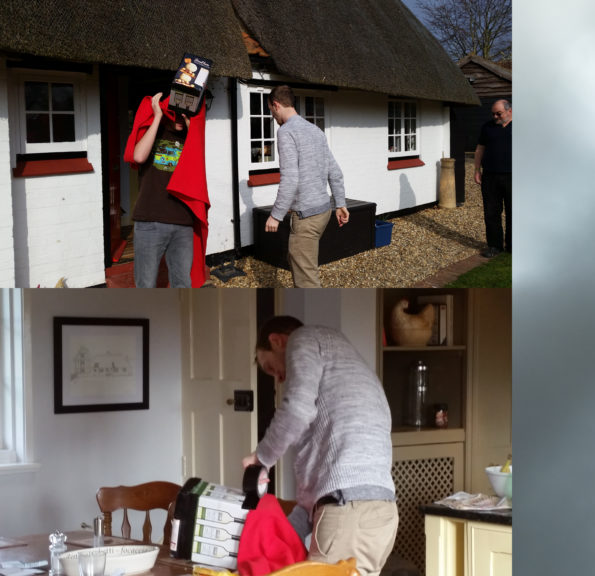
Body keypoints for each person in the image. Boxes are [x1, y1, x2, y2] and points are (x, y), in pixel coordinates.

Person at [243, 316, 398, 576]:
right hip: (382, 513)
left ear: (277, 341)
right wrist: (283, 532)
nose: (280, 378)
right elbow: (313, 498)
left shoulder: (303, 339)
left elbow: (297, 409)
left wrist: (262, 458)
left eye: (271, 368)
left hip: (347, 514)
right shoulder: (342, 359)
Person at [264, 85, 349, 287]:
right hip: (323, 212)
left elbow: (291, 178)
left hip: (307, 216)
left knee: (306, 281)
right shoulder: (316, 131)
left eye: (270, 110)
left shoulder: (286, 132)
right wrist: (341, 204)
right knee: (302, 264)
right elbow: (335, 172)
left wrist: (276, 215)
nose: (272, 115)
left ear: (276, 105)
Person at [124, 91, 207, 287]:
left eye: (184, 114)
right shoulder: (154, 132)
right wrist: (157, 117)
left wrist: (191, 127)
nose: (179, 119)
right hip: (150, 220)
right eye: (175, 113)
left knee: (182, 284)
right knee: (146, 285)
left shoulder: (190, 139)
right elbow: (138, 157)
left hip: (183, 222)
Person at [474, 99, 512, 258]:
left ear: (509, 111)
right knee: (491, 212)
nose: (495, 116)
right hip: (490, 176)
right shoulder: (487, 127)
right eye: (493, 114)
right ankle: (494, 246)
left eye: (499, 113)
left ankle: (513, 246)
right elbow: (479, 149)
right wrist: (477, 170)